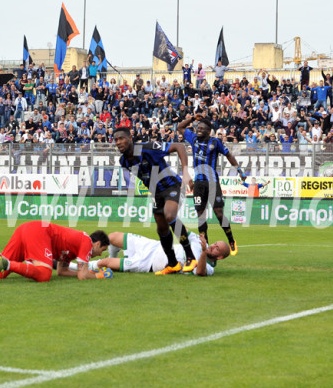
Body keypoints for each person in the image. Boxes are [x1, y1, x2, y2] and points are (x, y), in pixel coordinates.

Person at [113, 126, 198, 275]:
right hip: (157, 194)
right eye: (116, 140)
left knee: (170, 215)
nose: (119, 142)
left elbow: (179, 146)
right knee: (161, 228)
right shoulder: (123, 161)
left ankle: (190, 256)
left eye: (121, 138)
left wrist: (185, 172)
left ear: (130, 138)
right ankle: (172, 264)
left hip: (172, 185)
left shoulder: (147, 148)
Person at [0, 221, 110, 283]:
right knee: (44, 275)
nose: (101, 254)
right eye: (102, 250)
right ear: (97, 243)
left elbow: (62, 271)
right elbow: (82, 276)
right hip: (39, 232)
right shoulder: (87, 242)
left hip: (27, 229)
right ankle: (6, 263)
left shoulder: (75, 248)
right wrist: (98, 276)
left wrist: (87, 272)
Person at [177, 113, 244, 254]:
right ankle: (205, 247)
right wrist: (193, 118)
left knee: (219, 213)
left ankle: (231, 240)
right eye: (197, 127)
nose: (198, 130)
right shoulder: (193, 138)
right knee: (200, 215)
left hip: (212, 183)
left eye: (201, 128)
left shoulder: (216, 142)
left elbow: (229, 155)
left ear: (208, 131)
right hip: (199, 184)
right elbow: (180, 126)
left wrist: (239, 170)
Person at [87, 231, 229, 277]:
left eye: (217, 248)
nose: (213, 246)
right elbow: (182, 231)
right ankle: (108, 255)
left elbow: (200, 272)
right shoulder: (199, 243)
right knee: (112, 237)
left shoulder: (209, 268)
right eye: (215, 244)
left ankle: (78, 266)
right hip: (153, 245)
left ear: (220, 257)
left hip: (150, 263)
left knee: (104, 263)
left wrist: (203, 252)